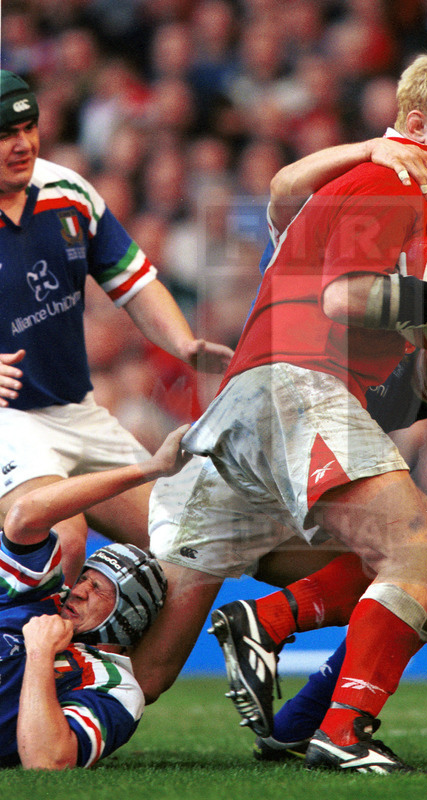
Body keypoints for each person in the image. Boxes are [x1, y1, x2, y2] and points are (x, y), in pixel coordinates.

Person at [170, 52, 427, 773]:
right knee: (415, 553)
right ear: (416, 123)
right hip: (291, 388)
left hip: (274, 398)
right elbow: (343, 298)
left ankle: (297, 710)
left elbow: (400, 311)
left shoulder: (420, 203)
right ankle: (342, 730)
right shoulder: (389, 180)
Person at [0, 71, 233, 584]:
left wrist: (183, 343)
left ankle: (113, 665)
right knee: (63, 535)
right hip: (8, 419)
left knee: (186, 545)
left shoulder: (68, 193)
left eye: (29, 128)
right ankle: (33, 659)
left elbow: (134, 281)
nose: (23, 144)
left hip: (78, 412)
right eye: (5, 135)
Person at [0, 424, 190, 770]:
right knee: (68, 531)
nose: (80, 589)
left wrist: (40, 654)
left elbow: (47, 762)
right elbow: (25, 517)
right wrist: (153, 468)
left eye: (99, 588)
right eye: (84, 578)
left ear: (129, 615)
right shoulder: (36, 596)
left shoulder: (116, 688)